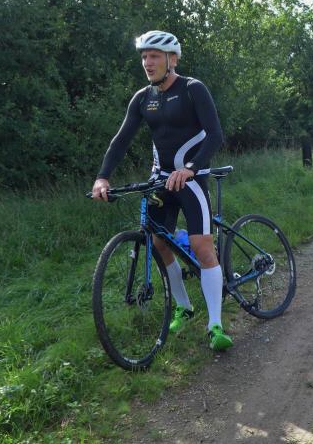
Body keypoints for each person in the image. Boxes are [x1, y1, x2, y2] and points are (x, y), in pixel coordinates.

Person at [91, 30, 232, 351]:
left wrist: (190, 168)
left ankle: (215, 325)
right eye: (144, 57)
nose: (147, 62)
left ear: (172, 59)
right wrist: (102, 178)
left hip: (192, 179)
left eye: (154, 56)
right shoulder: (143, 98)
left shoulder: (193, 89)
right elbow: (121, 140)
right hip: (161, 180)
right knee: (158, 244)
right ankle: (184, 306)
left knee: (202, 247)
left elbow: (215, 135)